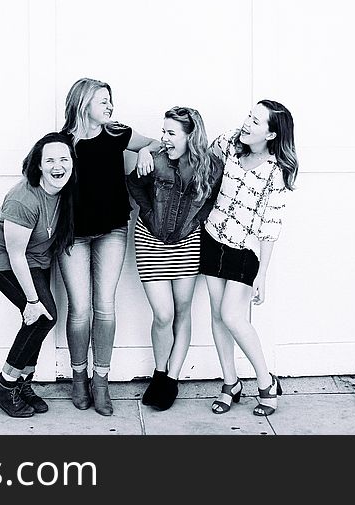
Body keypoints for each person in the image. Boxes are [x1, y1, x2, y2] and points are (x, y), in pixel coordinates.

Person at [58, 77, 160, 416]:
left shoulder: (119, 135)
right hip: (72, 235)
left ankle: (100, 380)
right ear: (83, 102)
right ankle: (78, 377)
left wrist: (143, 149)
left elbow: (160, 144)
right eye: (102, 101)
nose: (109, 106)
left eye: (110, 100)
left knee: (104, 307)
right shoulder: (61, 143)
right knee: (79, 310)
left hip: (113, 230)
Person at [201, 100, 298, 416]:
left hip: (245, 250)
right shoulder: (231, 142)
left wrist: (262, 275)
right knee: (217, 315)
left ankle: (266, 381)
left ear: (271, 134)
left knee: (233, 316)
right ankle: (230, 383)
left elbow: (271, 227)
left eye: (256, 122)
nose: (247, 123)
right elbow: (202, 157)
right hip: (212, 238)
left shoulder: (276, 173)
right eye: (248, 116)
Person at [126, 106, 223, 411]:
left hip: (186, 243)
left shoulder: (211, 166)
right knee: (163, 315)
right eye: (163, 131)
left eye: (171, 133)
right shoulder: (154, 161)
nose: (164, 138)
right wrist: (150, 213)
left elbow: (213, 197)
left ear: (190, 135)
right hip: (150, 242)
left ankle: (171, 379)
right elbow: (134, 185)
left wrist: (198, 221)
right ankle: (159, 370)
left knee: (182, 311)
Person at [0, 132, 77, 418]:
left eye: (64, 159)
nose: (58, 166)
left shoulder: (65, 191)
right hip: (2, 258)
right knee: (42, 315)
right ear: (38, 166)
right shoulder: (23, 199)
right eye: (50, 160)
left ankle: (22, 383)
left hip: (35, 257)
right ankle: (4, 385)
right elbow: (15, 254)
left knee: (41, 319)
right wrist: (31, 302)